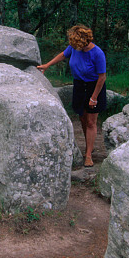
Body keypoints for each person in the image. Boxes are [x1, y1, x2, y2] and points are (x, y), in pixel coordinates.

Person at [37, 25, 107, 167]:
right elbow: (63, 55)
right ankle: (89, 144)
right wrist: (47, 65)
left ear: (84, 41)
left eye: (76, 44)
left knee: (91, 121)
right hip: (79, 85)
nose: (74, 47)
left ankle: (88, 155)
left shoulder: (97, 53)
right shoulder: (74, 47)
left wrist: (94, 97)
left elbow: (102, 77)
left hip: (94, 87)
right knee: (82, 116)